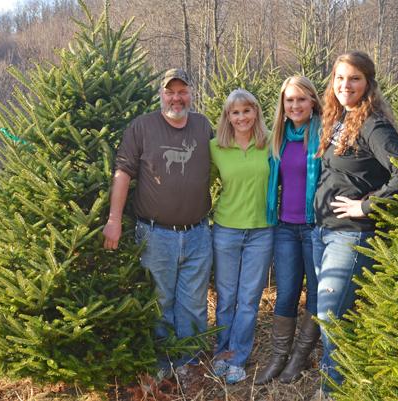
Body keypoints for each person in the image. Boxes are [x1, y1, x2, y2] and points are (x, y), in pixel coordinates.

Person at [311, 51, 398, 401]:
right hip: (322, 232)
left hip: (350, 236)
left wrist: (366, 205)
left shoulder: (373, 124)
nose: (345, 85)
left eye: (354, 78)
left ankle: (331, 391)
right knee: (333, 316)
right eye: (339, 77)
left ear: (368, 83)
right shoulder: (341, 118)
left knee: (330, 317)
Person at [102, 68, 213, 372]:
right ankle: (163, 367)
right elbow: (123, 172)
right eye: (170, 92)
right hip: (155, 234)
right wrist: (114, 218)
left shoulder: (204, 127)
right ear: (161, 94)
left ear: (190, 93)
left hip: (198, 233)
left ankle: (189, 365)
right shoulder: (141, 128)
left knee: (193, 303)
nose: (176, 98)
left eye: (182, 91)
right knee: (160, 302)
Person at [255, 76, 323, 385]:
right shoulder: (279, 139)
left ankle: (300, 356)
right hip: (285, 227)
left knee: (317, 294)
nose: (294, 105)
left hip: (315, 226)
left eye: (301, 99)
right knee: (286, 294)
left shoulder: (323, 134)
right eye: (289, 100)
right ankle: (278, 356)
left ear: (312, 101)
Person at [210, 89, 274, 384]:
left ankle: (237, 357)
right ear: (227, 117)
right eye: (235, 112)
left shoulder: (271, 142)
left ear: (256, 112)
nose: (241, 117)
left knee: (248, 299)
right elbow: (197, 183)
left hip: (262, 231)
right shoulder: (216, 148)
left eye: (246, 111)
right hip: (225, 230)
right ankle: (220, 354)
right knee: (226, 299)